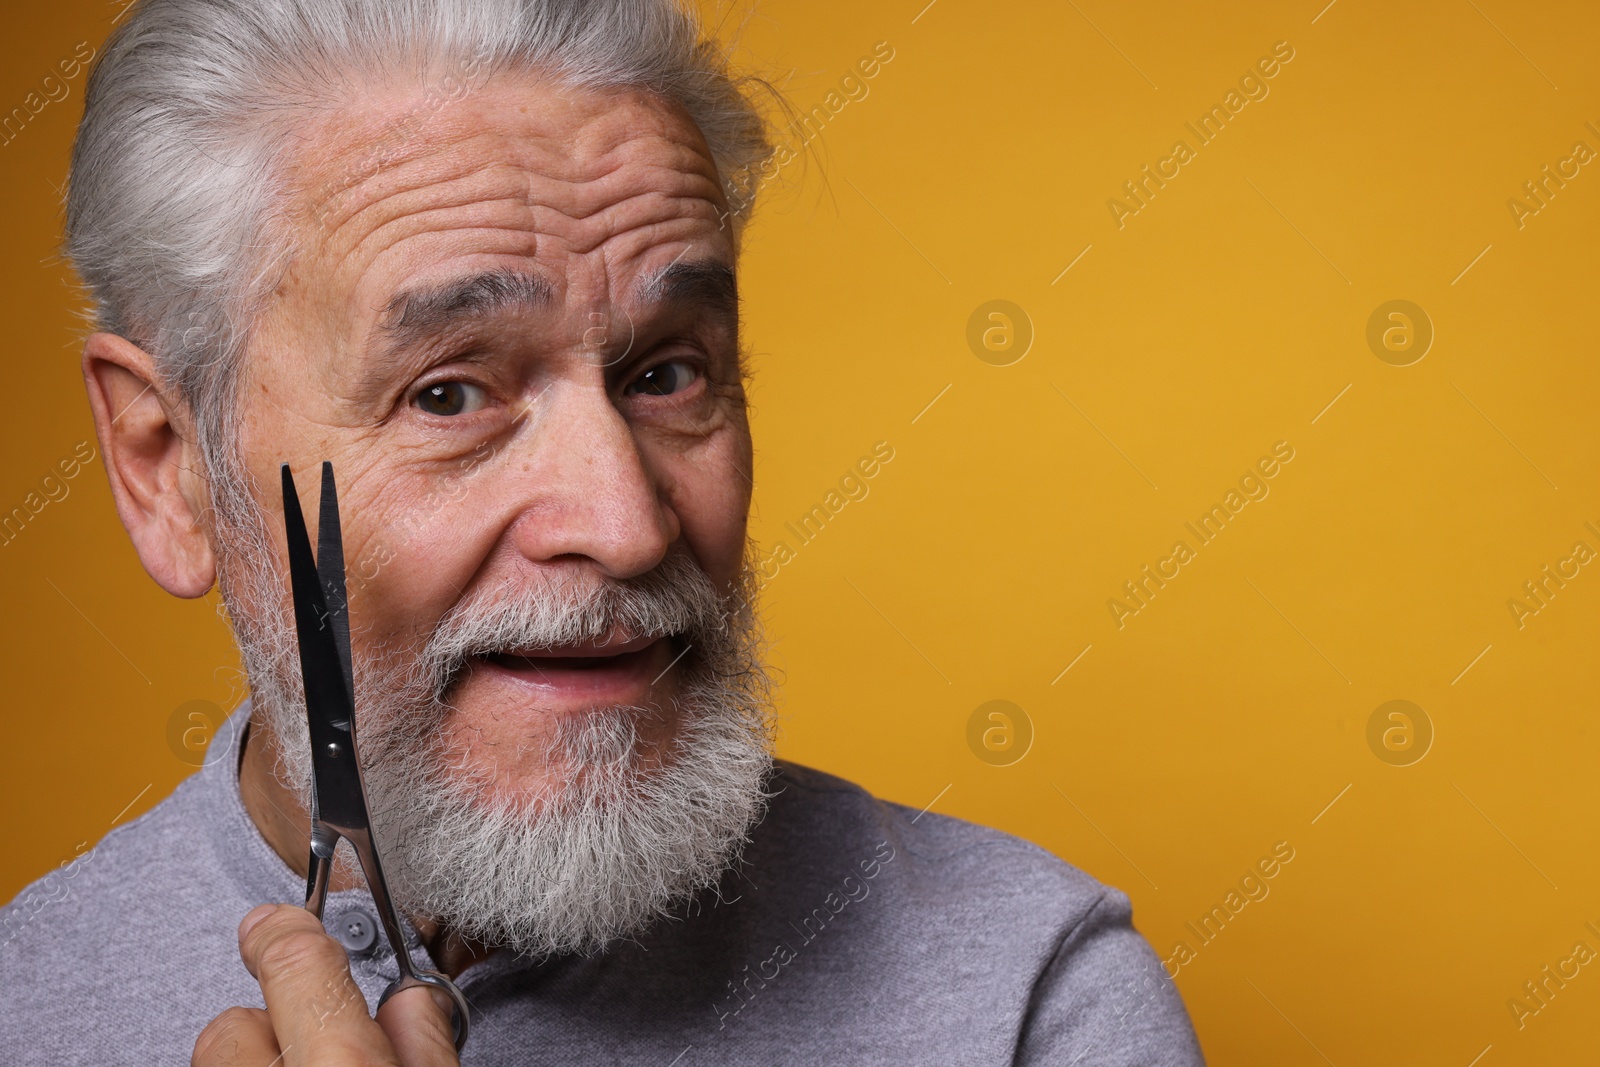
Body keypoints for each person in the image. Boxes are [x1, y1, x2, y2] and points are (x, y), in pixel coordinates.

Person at [0, 0, 1205, 1062]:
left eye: (670, 372)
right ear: (170, 469)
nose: (626, 526)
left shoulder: (1029, 1003)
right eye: (449, 393)